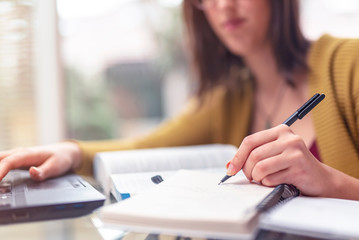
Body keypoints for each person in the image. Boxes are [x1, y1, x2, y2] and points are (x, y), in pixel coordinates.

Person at [0, 0, 359, 200]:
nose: (224, 5)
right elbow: (148, 147)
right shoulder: (229, 98)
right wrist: (73, 153)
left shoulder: (349, 66)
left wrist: (328, 182)